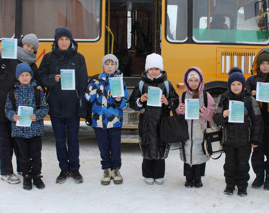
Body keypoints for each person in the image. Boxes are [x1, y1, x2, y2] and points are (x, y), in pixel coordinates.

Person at [0, 33, 39, 184]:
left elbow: (35, 82)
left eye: (32, 48)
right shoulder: (7, 56)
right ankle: (6, 172)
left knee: (19, 141)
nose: (29, 49)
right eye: (27, 45)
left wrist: (39, 86)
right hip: (2, 105)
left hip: (20, 109)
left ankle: (22, 168)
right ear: (22, 44)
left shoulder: (32, 65)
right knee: (4, 141)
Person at [38, 27, 88, 184]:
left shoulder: (79, 58)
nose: (64, 42)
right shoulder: (48, 58)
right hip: (55, 107)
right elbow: (40, 79)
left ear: (71, 41)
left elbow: (83, 84)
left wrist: (82, 106)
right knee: (59, 140)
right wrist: (53, 79)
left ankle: (75, 168)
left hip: (72, 107)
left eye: (67, 39)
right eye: (61, 39)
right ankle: (63, 169)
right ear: (56, 41)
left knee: (73, 139)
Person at [129, 53, 179, 185]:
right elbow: (132, 102)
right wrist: (140, 100)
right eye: (151, 69)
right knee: (147, 147)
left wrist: (168, 101)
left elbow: (176, 100)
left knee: (160, 149)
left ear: (161, 70)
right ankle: (147, 174)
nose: (154, 72)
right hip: (145, 123)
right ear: (147, 70)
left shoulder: (167, 84)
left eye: (157, 69)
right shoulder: (141, 85)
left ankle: (159, 174)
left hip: (162, 123)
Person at [213, 70, 263, 197]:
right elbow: (216, 118)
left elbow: (257, 120)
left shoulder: (250, 100)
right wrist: (223, 115)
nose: (236, 87)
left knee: (243, 165)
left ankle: (242, 187)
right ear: (229, 85)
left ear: (243, 85)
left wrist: (255, 140)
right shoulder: (224, 99)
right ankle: (230, 185)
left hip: (245, 141)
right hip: (229, 140)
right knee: (229, 165)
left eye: (238, 84)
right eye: (233, 84)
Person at [84, 54, 128, 185]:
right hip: (99, 121)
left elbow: (125, 103)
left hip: (115, 121)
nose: (109, 67)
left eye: (112, 64)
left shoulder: (120, 82)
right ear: (103, 66)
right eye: (107, 64)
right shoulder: (95, 81)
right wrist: (95, 87)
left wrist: (119, 100)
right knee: (103, 147)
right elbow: (88, 98)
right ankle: (106, 169)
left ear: (116, 66)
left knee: (115, 147)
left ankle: (116, 169)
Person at [4, 63, 49, 190]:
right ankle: (27, 176)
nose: (25, 77)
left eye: (27, 75)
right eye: (22, 75)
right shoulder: (12, 93)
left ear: (31, 76)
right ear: (18, 77)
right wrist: (13, 116)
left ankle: (36, 175)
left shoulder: (37, 92)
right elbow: (7, 109)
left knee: (36, 154)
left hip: (35, 130)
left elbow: (45, 108)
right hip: (19, 131)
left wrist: (37, 115)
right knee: (23, 155)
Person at [246, 48, 269, 190]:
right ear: (257, 65)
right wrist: (251, 93)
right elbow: (243, 93)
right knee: (257, 150)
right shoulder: (252, 80)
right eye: (262, 63)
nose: (265, 66)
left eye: (268, 63)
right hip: (257, 121)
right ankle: (259, 175)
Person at [175, 67, 215, 188]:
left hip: (201, 132)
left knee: (200, 154)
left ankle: (198, 178)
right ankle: (188, 178)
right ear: (187, 82)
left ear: (200, 81)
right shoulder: (183, 96)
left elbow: (212, 115)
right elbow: (177, 112)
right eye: (191, 80)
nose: (193, 83)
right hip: (186, 132)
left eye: (196, 80)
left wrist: (204, 112)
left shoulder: (207, 96)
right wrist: (180, 110)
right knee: (188, 155)